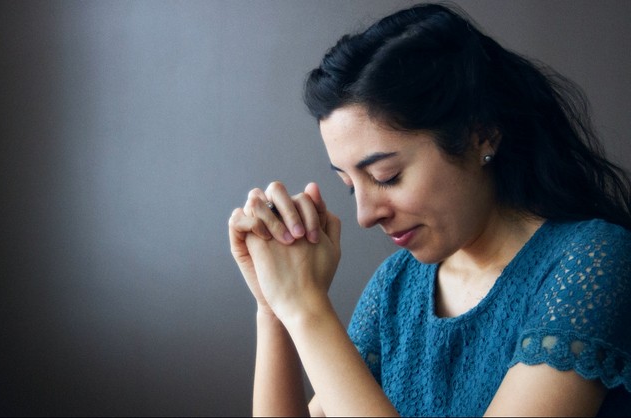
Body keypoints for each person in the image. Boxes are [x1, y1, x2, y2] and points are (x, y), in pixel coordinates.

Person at [228, 3, 631, 416]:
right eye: (349, 187)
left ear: (481, 135)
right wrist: (275, 306)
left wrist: (308, 309)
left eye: (386, 176)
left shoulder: (595, 260)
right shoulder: (396, 286)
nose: (365, 216)